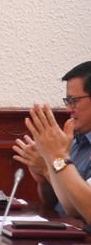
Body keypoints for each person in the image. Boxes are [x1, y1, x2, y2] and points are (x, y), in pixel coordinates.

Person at [13, 61, 91, 221]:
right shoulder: (74, 141)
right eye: (67, 101)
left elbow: (85, 210)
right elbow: (63, 204)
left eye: (74, 101)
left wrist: (55, 160)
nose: (68, 109)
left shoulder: (63, 147)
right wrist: (44, 174)